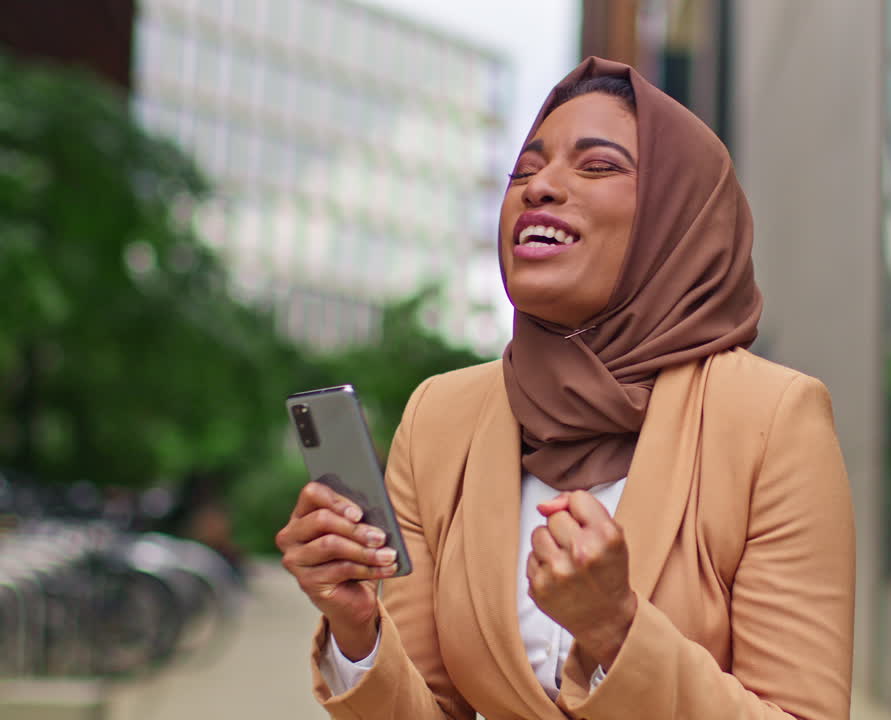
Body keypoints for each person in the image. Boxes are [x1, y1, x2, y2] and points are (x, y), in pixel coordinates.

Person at [275, 57, 856, 720]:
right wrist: (358, 632)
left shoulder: (773, 419)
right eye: (524, 170)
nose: (539, 187)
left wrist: (617, 631)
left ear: (676, 220)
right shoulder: (442, 416)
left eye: (597, 165)